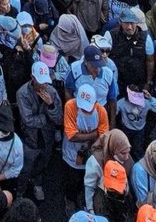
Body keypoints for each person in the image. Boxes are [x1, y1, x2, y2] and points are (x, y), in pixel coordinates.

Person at [16, 60, 63, 201]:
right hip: (30, 139)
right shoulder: (22, 93)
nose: (43, 85)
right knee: (25, 168)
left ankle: (37, 183)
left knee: (42, 164)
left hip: (47, 139)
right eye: (40, 81)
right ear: (32, 77)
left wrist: (51, 105)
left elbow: (59, 119)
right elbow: (28, 120)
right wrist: (46, 118)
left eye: (45, 82)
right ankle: (20, 192)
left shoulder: (52, 93)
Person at [63, 84, 109, 214]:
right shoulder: (70, 106)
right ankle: (70, 200)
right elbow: (71, 135)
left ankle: (83, 200)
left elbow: (104, 136)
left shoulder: (101, 111)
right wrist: (93, 134)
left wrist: (86, 139)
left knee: (87, 180)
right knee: (71, 180)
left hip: (91, 153)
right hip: (71, 153)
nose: (86, 111)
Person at [83, 128, 132, 213]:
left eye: (128, 152)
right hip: (103, 199)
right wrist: (90, 209)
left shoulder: (124, 157)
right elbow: (89, 187)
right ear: (113, 148)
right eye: (123, 153)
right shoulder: (95, 162)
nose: (127, 157)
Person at [110, 10, 154, 95]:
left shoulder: (146, 38)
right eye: (126, 23)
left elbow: (150, 60)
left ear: (137, 23)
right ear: (120, 22)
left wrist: (148, 82)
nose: (129, 27)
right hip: (119, 82)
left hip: (138, 84)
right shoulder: (111, 35)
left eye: (132, 23)